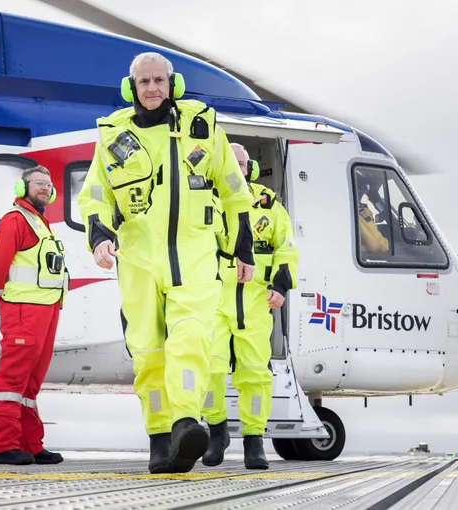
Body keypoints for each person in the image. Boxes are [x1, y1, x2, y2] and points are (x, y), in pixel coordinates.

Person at [78, 52, 256, 474]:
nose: (153, 88)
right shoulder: (112, 136)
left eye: (160, 80)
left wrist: (242, 248)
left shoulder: (202, 127)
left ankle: (184, 423)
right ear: (131, 87)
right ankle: (159, 440)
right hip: (138, 258)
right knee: (147, 351)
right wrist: (100, 236)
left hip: (194, 254)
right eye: (145, 82)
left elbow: (234, 190)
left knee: (191, 337)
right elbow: (95, 195)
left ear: (172, 85)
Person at [201, 143, 298, 470]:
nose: (237, 169)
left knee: (254, 373)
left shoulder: (268, 206)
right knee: (209, 368)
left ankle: (254, 440)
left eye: (241, 164)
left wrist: (281, 284)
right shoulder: (204, 200)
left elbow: (286, 247)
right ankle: (216, 431)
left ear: (250, 169)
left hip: (256, 299)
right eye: (231, 163)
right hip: (212, 297)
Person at [0, 166, 67, 466]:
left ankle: (31, 444)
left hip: (46, 310)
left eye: (48, 183)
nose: (44, 187)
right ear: (22, 187)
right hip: (23, 310)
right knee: (13, 379)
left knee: (30, 384)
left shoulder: (41, 223)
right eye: (37, 183)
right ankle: (4, 445)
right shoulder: (15, 220)